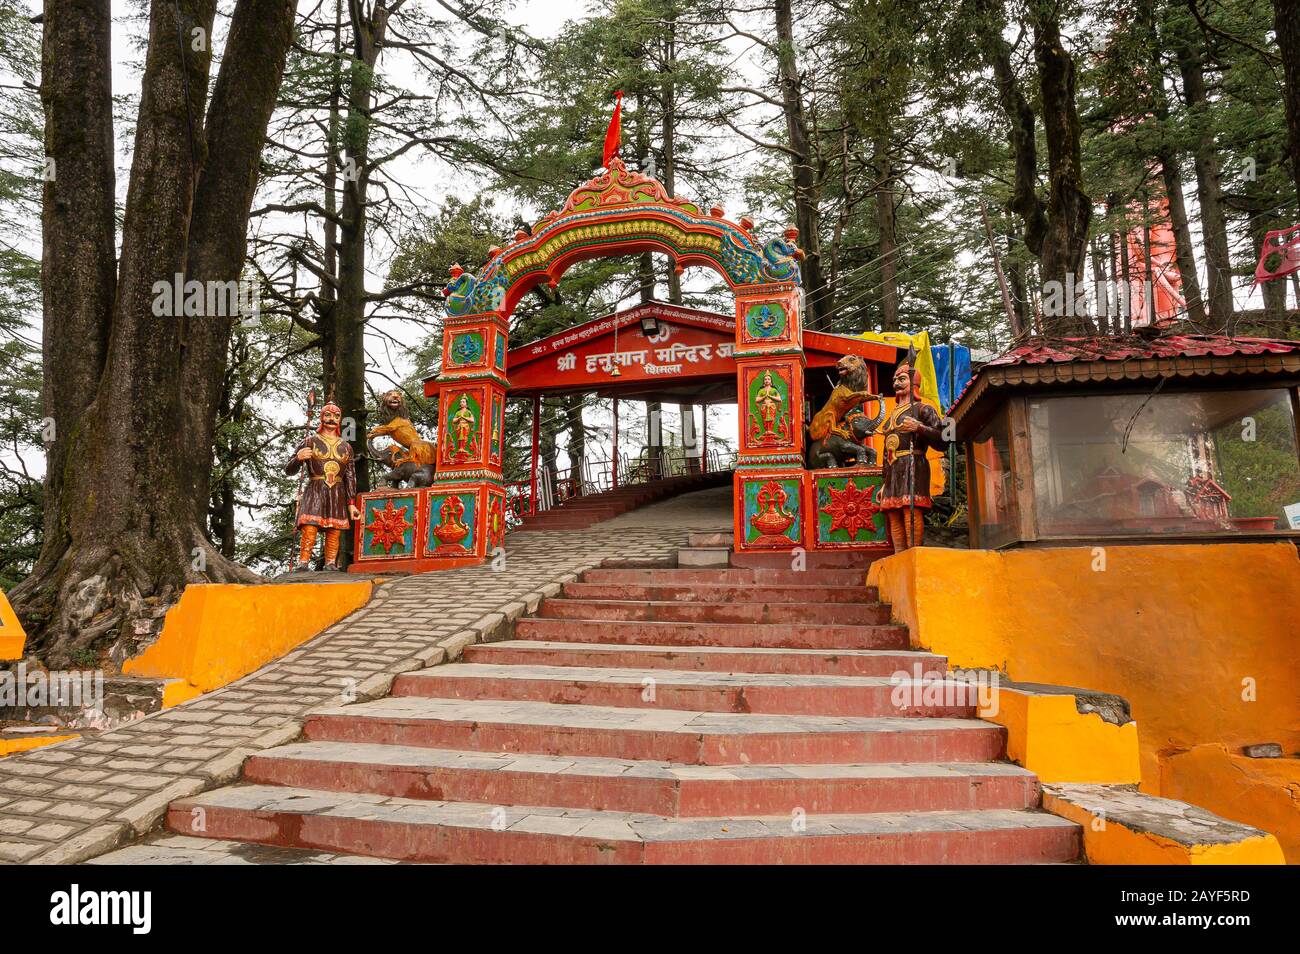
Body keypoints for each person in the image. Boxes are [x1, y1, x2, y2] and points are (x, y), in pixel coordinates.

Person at [879, 358, 948, 551]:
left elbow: (944, 440)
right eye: (894, 379)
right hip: (894, 468)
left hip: (913, 463)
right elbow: (886, 452)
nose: (896, 383)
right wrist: (884, 482)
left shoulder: (923, 409)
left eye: (901, 379)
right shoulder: (891, 415)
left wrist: (919, 427)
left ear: (914, 383)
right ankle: (900, 554)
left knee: (910, 510)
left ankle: (913, 552)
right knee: (893, 512)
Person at [285, 401, 361, 570]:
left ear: (340, 419)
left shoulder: (346, 447)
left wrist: (351, 505)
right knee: (310, 527)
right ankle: (303, 562)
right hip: (316, 489)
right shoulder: (309, 441)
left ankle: (330, 563)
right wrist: (298, 458)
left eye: (336, 416)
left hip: (338, 492)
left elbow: (351, 477)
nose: (332, 419)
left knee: (334, 530)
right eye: (327, 415)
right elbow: (288, 470)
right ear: (321, 417)